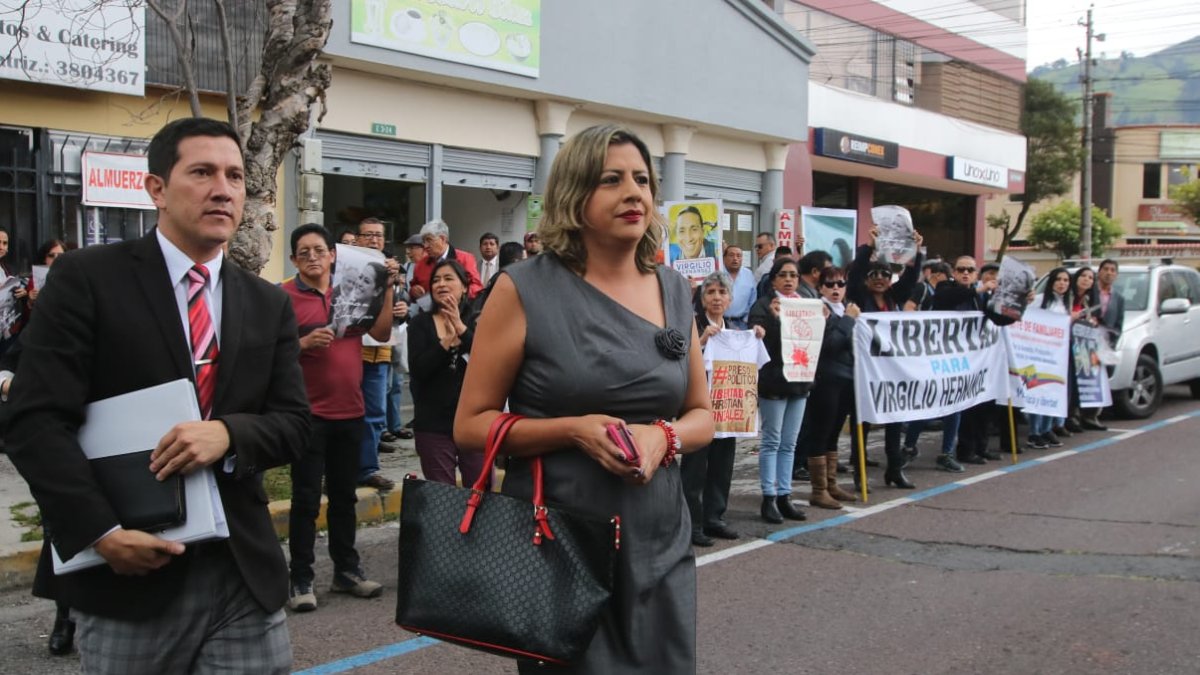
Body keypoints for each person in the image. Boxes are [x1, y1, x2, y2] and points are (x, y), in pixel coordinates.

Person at [5, 117, 309, 673]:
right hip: (131, 575)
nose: (223, 188)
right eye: (202, 172)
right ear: (157, 190)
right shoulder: (87, 278)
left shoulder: (267, 303)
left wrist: (228, 433)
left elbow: (293, 424)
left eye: (235, 176)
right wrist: (101, 534)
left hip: (243, 572)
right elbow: (33, 421)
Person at [454, 124, 712, 672]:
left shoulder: (672, 288)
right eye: (611, 180)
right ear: (575, 193)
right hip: (561, 544)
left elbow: (701, 416)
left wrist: (660, 436)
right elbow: (471, 425)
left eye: (642, 179)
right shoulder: (522, 289)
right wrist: (572, 430)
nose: (633, 193)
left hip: (659, 542)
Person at [282, 224, 389, 613]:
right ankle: (301, 578)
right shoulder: (283, 297)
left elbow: (380, 333)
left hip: (352, 412)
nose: (312, 258)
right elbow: (268, 354)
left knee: (344, 498)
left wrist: (387, 285)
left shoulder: (353, 292)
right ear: (294, 259)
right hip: (308, 416)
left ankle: (347, 571)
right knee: (306, 500)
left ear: (333, 255)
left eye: (319, 250)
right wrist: (303, 343)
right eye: (304, 252)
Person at [683, 271, 764, 546]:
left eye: (722, 292)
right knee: (695, 469)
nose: (717, 298)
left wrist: (757, 337)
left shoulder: (735, 331)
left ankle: (714, 518)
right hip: (698, 409)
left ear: (730, 299)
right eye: (711, 292)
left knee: (722, 465)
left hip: (728, 411)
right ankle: (691, 525)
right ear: (702, 298)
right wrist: (703, 339)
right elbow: (681, 357)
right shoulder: (692, 325)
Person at [804, 266, 887, 508]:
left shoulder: (848, 308)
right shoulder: (819, 310)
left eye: (840, 284)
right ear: (821, 288)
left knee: (834, 433)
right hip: (826, 380)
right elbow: (829, 344)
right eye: (830, 285)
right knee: (821, 432)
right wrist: (849, 320)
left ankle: (831, 484)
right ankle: (818, 489)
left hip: (848, 378)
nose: (836, 289)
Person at [847, 226, 923, 487]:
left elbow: (912, 279)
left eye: (884, 274)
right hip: (865, 370)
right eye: (874, 274)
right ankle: (860, 472)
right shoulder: (859, 296)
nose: (879, 278)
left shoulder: (894, 297)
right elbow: (855, 274)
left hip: (891, 370)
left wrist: (916, 251)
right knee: (863, 422)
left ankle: (895, 468)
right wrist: (869, 246)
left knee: (894, 419)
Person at [407, 258, 485, 485]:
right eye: (436, 280)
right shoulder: (420, 324)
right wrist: (445, 343)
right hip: (433, 423)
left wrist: (460, 329)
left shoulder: (479, 320)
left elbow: (488, 359)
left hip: (474, 422)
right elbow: (419, 370)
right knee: (443, 498)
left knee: (481, 493)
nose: (441, 284)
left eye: (449, 279)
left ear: (464, 287)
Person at [749, 257, 811, 524]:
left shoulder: (807, 304)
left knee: (790, 442)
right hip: (774, 381)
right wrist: (773, 321)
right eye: (783, 275)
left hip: (800, 380)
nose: (788, 280)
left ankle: (785, 495)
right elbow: (761, 344)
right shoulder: (763, 305)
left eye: (793, 275)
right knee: (772, 441)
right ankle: (769, 497)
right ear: (773, 279)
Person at [354, 217, 407, 491]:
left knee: (375, 412)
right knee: (346, 414)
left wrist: (401, 299)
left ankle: (368, 468)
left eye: (378, 235)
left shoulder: (392, 268)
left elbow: (403, 301)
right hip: (350, 350)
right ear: (358, 238)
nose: (374, 240)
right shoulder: (348, 264)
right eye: (368, 235)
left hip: (380, 349)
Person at [1026, 267, 1072, 450]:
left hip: (1056, 357)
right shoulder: (1038, 301)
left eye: (1066, 280)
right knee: (1038, 393)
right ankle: (1033, 432)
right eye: (1059, 279)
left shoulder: (1064, 304)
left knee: (1052, 392)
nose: (1062, 283)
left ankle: (1046, 429)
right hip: (1038, 355)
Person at [1082, 259, 1123, 430]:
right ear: (1099, 272)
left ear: (1116, 274)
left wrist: (1111, 342)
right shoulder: (1089, 293)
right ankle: (1076, 415)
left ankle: (1092, 416)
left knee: (1098, 381)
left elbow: (1119, 323)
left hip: (1104, 345)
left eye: (1113, 270)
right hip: (1085, 342)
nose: (1109, 273)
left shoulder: (1119, 298)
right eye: (1105, 269)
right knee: (1083, 377)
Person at [410, 219, 483, 300]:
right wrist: (414, 291)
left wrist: (457, 295)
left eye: (429, 240)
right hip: (429, 311)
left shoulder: (465, 259)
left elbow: (477, 287)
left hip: (458, 310)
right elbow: (413, 288)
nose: (425, 246)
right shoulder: (421, 264)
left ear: (442, 239)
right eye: (423, 241)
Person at [1065, 266, 1100, 434]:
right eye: (1083, 276)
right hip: (1063, 346)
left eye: (1090, 277)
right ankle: (1065, 418)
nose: (1087, 279)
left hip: (1081, 347)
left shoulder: (1088, 300)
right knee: (1068, 382)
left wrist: (1091, 323)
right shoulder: (1067, 297)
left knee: (1078, 383)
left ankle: (1074, 416)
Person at [722, 244, 757, 328]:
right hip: (720, 322)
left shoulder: (748, 274)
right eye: (731, 255)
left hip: (742, 323)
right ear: (724, 258)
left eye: (739, 256)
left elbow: (753, 300)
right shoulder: (717, 273)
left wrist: (746, 319)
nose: (735, 258)